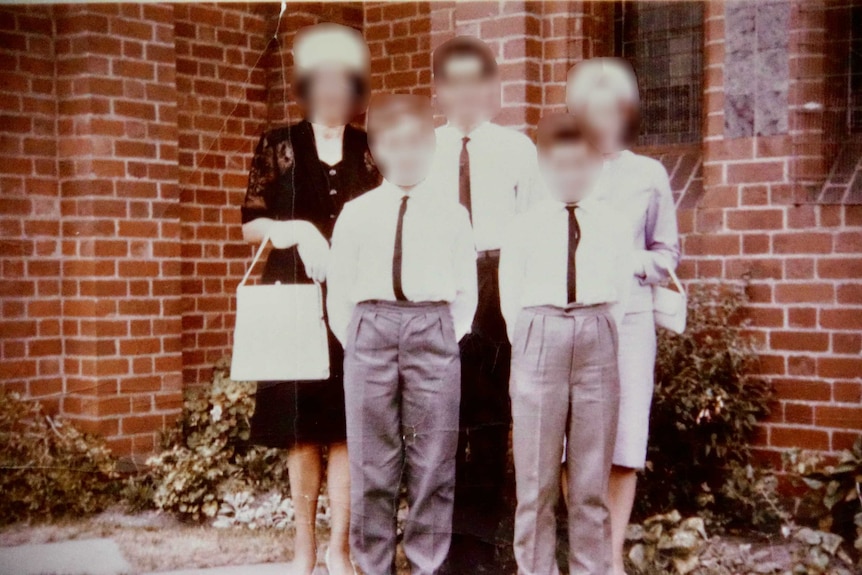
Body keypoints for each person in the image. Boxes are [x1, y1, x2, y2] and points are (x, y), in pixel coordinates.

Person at [239, 23, 380, 575]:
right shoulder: (278, 144)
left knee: (346, 427)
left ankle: (338, 548)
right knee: (300, 431)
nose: (331, 91)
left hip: (351, 300)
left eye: (342, 80)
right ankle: (302, 547)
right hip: (292, 298)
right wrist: (296, 229)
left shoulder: (370, 149)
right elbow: (251, 225)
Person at [326, 93, 478, 575]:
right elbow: (340, 293)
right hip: (369, 328)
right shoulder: (357, 213)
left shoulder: (452, 214)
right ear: (377, 152)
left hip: (432, 330)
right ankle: (372, 567)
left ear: (432, 148)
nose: (407, 153)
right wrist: (363, 338)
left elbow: (464, 294)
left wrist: (437, 336)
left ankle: (426, 565)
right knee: (373, 462)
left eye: (417, 142)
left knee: (434, 461)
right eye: (395, 143)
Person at [429, 36, 544, 573]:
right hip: (446, 281)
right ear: (439, 92)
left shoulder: (517, 149)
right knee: (443, 416)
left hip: (499, 281)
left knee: (493, 416)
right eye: (455, 83)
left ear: (492, 89)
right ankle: (446, 547)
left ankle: (483, 547)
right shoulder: (425, 149)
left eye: (477, 82)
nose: (466, 94)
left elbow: (535, 228)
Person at [499, 113, 633, 575]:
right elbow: (510, 299)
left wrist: (593, 329)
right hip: (540, 334)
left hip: (596, 335)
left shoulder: (614, 224)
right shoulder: (523, 226)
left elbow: (621, 294)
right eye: (559, 164)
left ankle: (590, 569)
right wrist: (539, 337)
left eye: (580, 163)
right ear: (543, 165)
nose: (569, 174)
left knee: (591, 478)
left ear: (596, 164)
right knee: (535, 479)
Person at [566, 58, 681, 575]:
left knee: (623, 443)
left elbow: (666, 253)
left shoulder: (648, 175)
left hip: (629, 323)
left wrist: (634, 262)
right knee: (574, 443)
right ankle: (583, 553)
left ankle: (609, 561)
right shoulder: (562, 166)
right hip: (573, 318)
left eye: (614, 108)